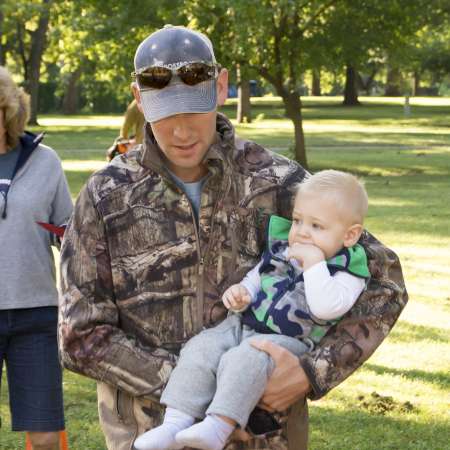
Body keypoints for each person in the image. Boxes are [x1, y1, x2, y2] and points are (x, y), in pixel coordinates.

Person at [58, 25, 408, 450]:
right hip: (148, 434)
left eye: (194, 110)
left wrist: (312, 370)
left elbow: (384, 278)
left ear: (221, 87)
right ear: (138, 98)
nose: (182, 131)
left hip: (265, 437)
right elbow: (81, 336)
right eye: (166, 114)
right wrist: (202, 384)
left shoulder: (279, 183)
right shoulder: (106, 195)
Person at [134, 170, 371, 450]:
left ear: (350, 235)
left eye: (317, 226)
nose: (302, 232)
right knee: (202, 347)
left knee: (245, 359)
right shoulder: (284, 250)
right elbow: (259, 276)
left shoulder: (348, 270)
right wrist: (243, 292)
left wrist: (315, 264)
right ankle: (175, 422)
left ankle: (219, 425)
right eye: (297, 220)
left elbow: (327, 308)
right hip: (243, 323)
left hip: (287, 341)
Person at [0, 66, 73, 450]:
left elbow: (70, 234)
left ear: (8, 111)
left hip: (36, 314)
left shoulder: (45, 161)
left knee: (45, 436)